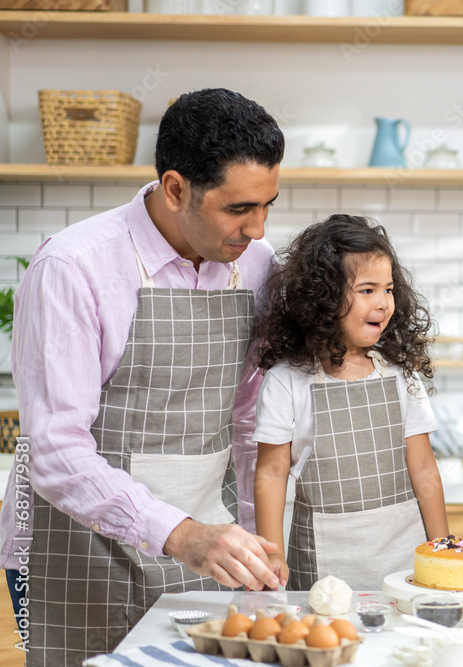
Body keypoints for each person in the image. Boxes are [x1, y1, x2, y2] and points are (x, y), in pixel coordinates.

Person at [0, 88, 285, 666]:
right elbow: (54, 452)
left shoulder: (257, 266)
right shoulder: (74, 267)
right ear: (176, 188)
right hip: (73, 547)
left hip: (205, 541)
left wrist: (257, 539)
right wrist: (182, 535)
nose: (256, 229)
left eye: (267, 205)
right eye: (238, 209)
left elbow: (250, 420)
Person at [253, 214, 448, 592]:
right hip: (324, 566)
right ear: (322, 298)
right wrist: (272, 553)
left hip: (403, 564)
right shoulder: (287, 380)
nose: (383, 303)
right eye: (367, 290)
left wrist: (441, 547)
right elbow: (271, 474)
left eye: (389, 289)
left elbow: (424, 470)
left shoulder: (399, 374)